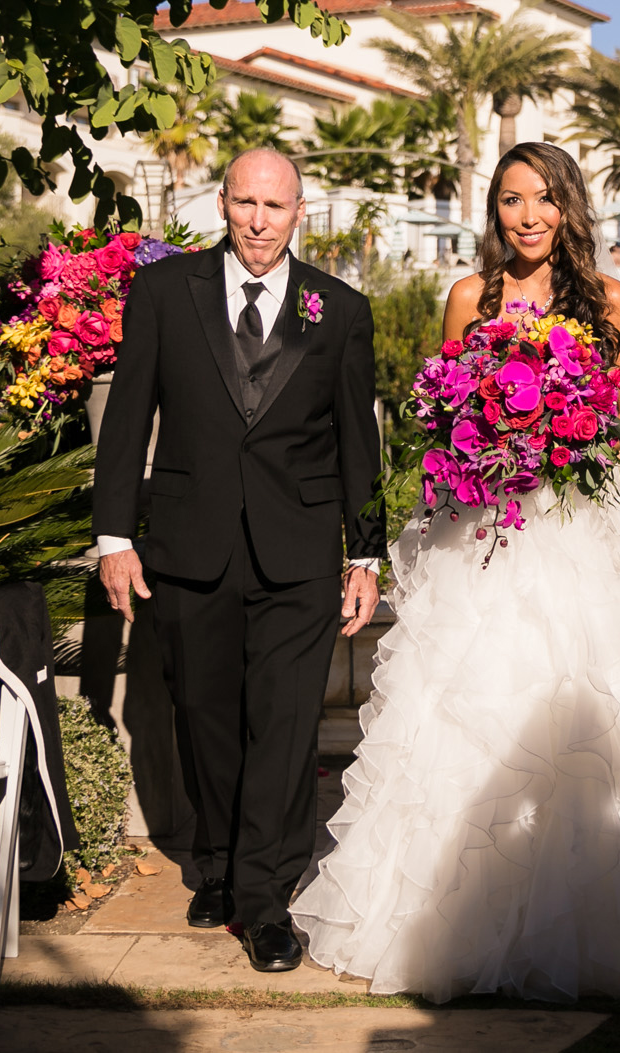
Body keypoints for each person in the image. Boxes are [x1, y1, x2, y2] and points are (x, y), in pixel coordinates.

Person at [290, 141, 620, 1001]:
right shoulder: (466, 298)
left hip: (586, 527)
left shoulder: (611, 300)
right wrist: (491, 429)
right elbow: (444, 421)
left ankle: (612, 919)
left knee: (601, 714)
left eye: (544, 198)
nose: (528, 215)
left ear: (568, 207)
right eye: (513, 199)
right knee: (477, 710)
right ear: (495, 210)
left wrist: (567, 421)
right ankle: (452, 921)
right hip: (487, 529)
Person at [92, 147, 385, 975]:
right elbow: (128, 417)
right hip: (190, 542)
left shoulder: (342, 307)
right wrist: (115, 535)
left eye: (277, 205)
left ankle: (264, 899)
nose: (260, 220)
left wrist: (364, 552)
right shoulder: (161, 292)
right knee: (207, 717)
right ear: (223, 202)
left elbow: (359, 442)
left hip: (298, 550)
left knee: (287, 727)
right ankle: (217, 860)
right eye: (246, 202)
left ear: (301, 212)